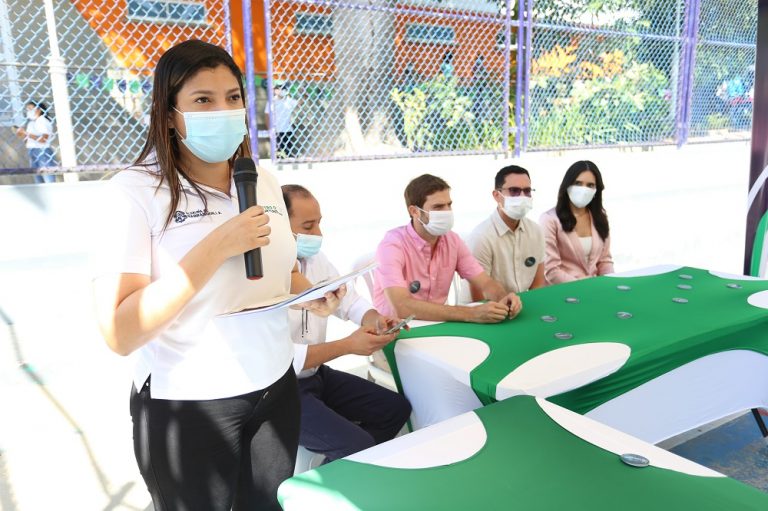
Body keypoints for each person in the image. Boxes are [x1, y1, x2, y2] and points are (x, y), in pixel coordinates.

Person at [91, 40, 342, 511]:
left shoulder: (259, 178)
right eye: (203, 100)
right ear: (169, 114)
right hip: (189, 401)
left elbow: (279, 271)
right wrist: (214, 248)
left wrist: (312, 293)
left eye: (232, 97)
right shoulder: (134, 193)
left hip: (274, 385)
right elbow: (121, 332)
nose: (223, 110)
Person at [282, 184, 411, 462]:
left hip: (315, 376)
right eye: (308, 225)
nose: (318, 234)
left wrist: (377, 320)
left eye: (319, 223)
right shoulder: (263, 276)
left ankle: (345, 470)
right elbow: (285, 359)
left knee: (396, 409)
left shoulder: (315, 259)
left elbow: (348, 301)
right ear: (280, 225)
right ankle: (335, 483)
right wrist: (350, 345)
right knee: (357, 444)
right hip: (279, 391)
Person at [374, 173, 522, 323]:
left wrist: (503, 297)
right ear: (414, 211)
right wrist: (472, 313)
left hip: (437, 326)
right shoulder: (392, 245)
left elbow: (485, 282)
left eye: (449, 204)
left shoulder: (452, 240)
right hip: (394, 330)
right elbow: (402, 306)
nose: (447, 211)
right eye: (438, 207)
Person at [467, 165, 545, 299]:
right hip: (486, 309)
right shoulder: (481, 237)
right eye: (514, 191)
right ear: (497, 195)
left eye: (527, 191)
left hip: (523, 305)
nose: (522, 196)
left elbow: (538, 284)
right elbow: (478, 295)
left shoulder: (536, 231)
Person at [539, 160, 614, 284]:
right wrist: (584, 286)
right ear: (567, 185)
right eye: (578, 183)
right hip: (563, 293)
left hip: (596, 290)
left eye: (590, 185)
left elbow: (604, 261)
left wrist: (610, 284)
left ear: (596, 190)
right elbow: (551, 270)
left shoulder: (600, 216)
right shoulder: (549, 219)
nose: (583, 189)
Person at [15, 100, 56, 183]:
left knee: (48, 180)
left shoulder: (42, 121)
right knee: (38, 181)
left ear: (38, 110)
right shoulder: (31, 123)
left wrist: (25, 133)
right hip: (32, 151)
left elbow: (43, 139)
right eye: (27, 110)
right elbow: (27, 140)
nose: (28, 112)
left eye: (30, 109)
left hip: (42, 151)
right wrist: (21, 134)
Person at [265, 81, 298, 158]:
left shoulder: (289, 100)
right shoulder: (271, 102)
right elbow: (267, 115)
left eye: (283, 88)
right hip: (276, 131)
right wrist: (269, 129)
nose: (281, 90)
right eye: (278, 88)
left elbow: (300, 103)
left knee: (289, 153)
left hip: (288, 130)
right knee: (278, 154)